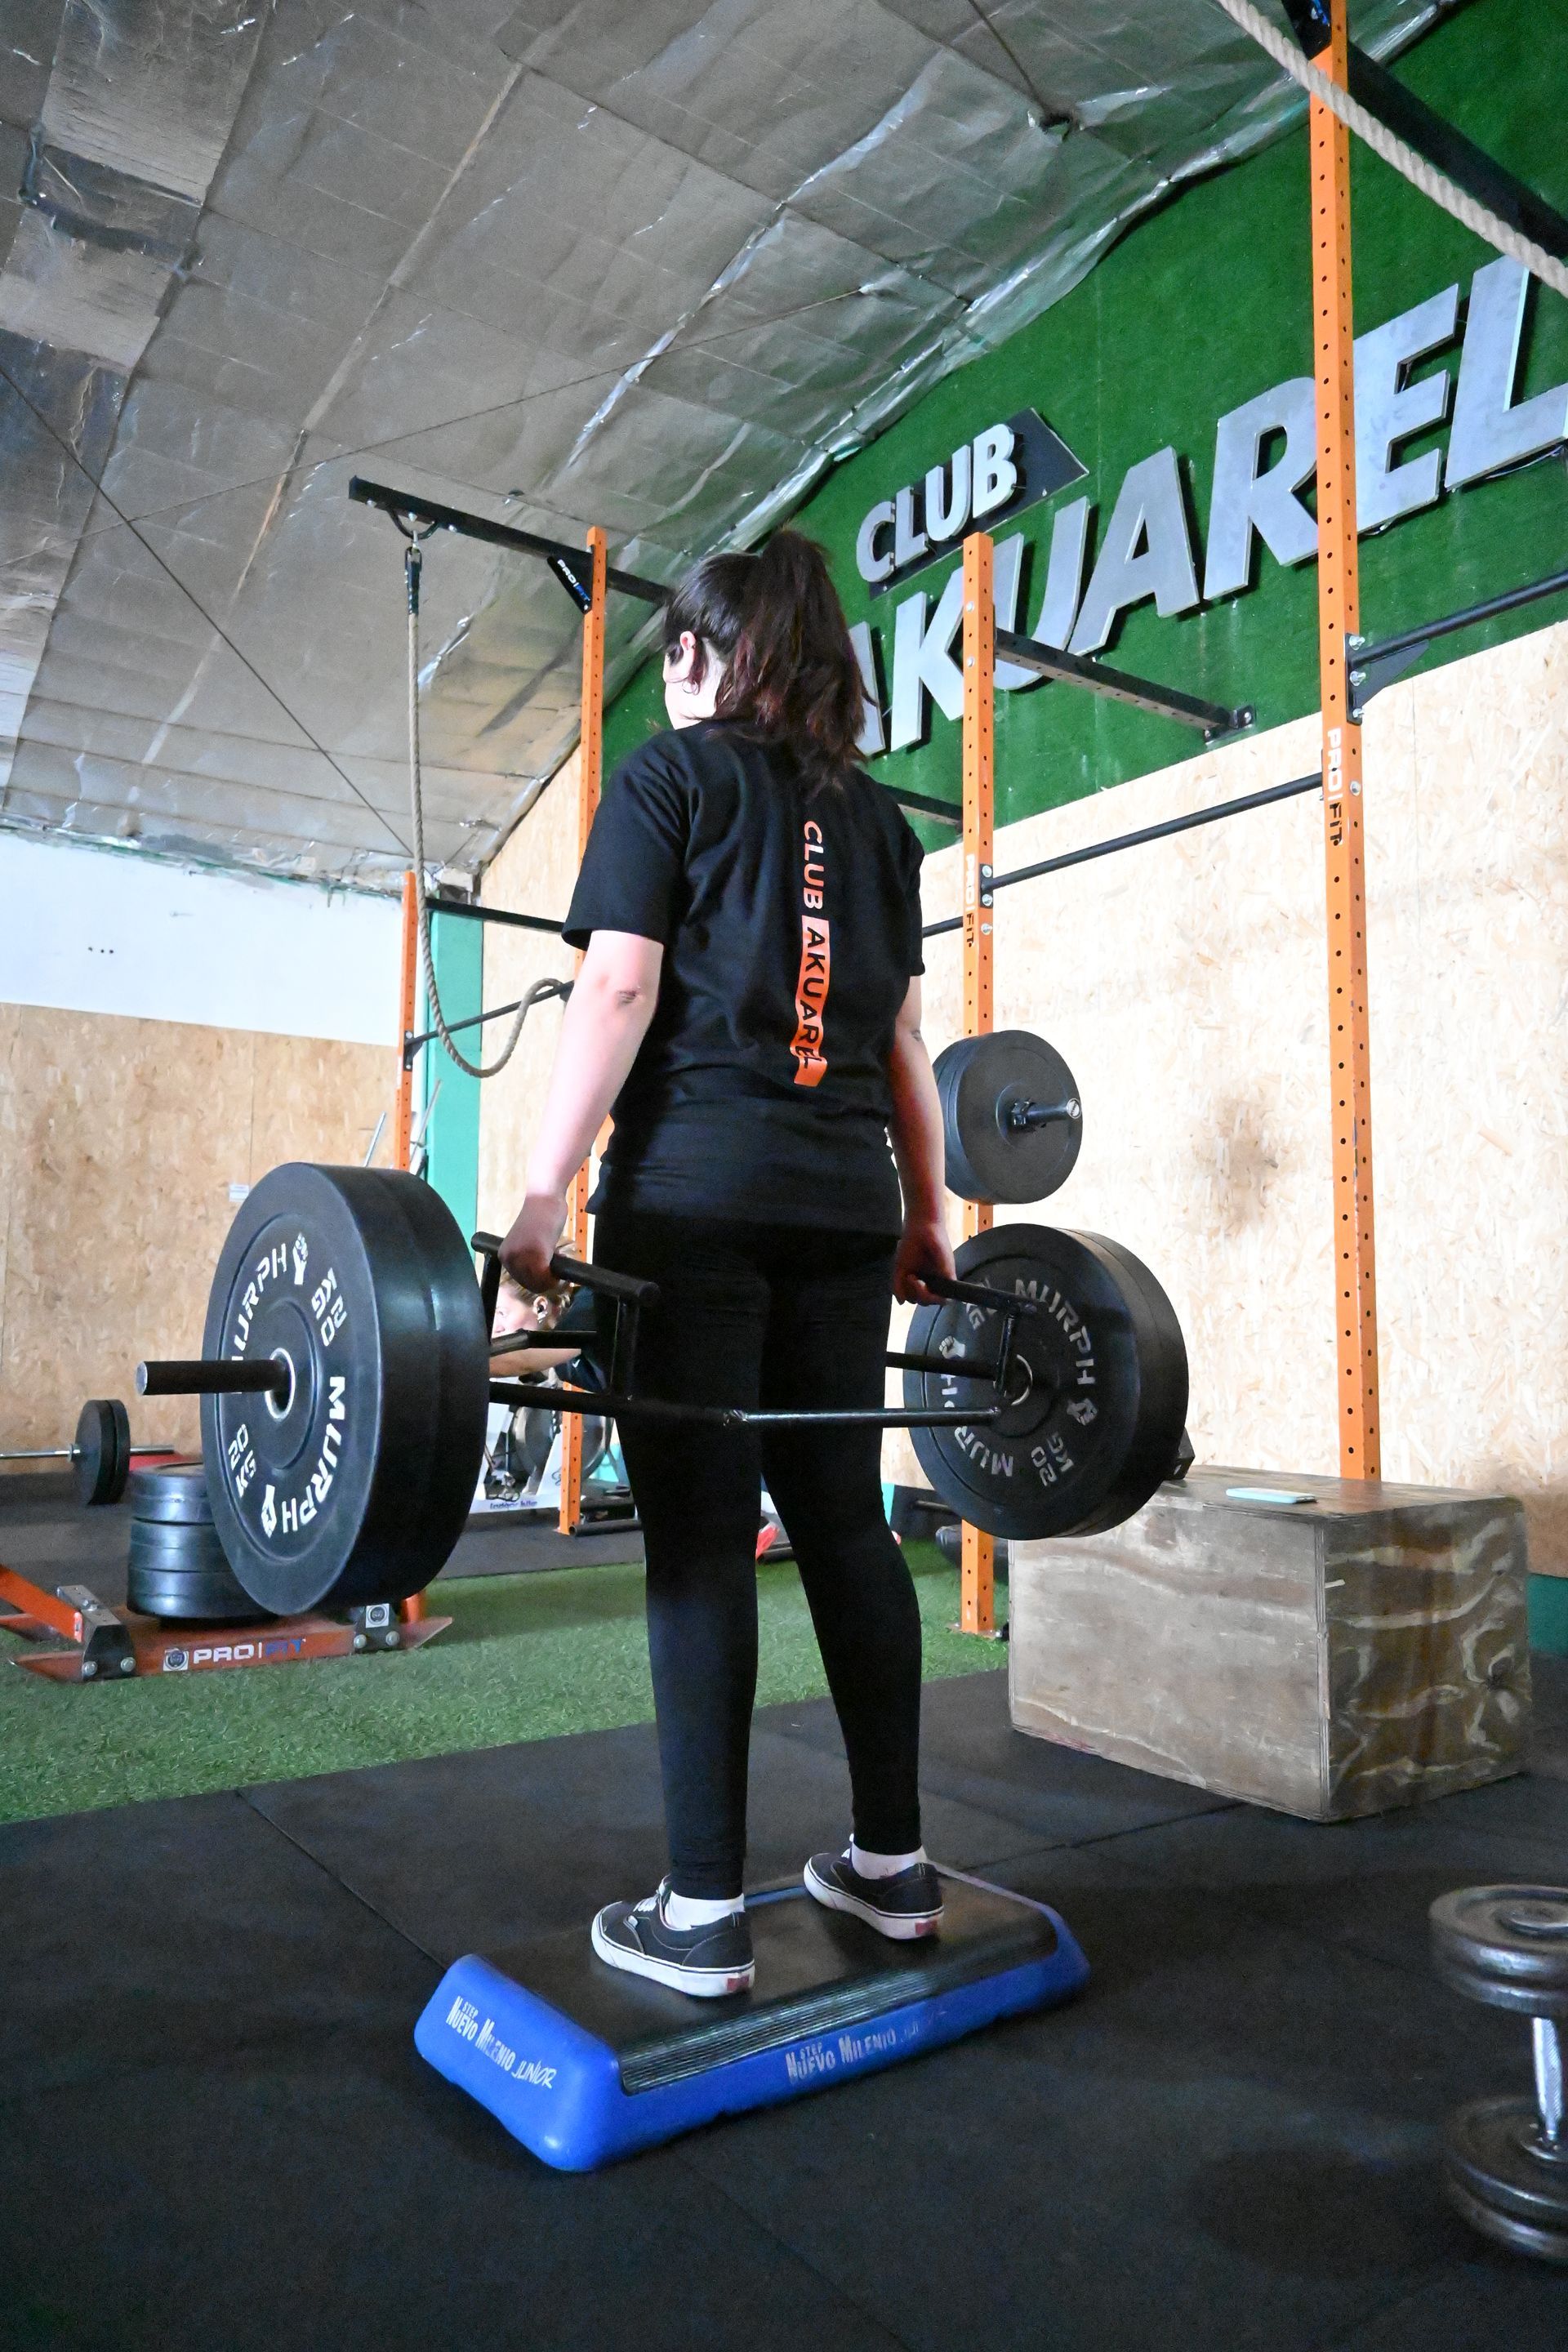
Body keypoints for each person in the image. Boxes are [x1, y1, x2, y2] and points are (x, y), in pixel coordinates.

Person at [500, 531, 955, 1998]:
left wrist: (542, 1187)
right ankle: (891, 1867)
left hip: (690, 1208)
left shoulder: (667, 779)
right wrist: (931, 1215)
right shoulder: (884, 830)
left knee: (700, 1535)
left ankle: (701, 1915)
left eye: (679, 653)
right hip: (841, 1212)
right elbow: (897, 1046)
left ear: (710, 653)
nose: (670, 676)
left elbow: (620, 983)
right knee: (843, 1522)